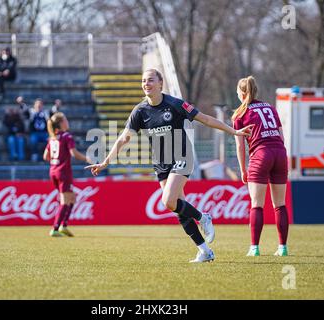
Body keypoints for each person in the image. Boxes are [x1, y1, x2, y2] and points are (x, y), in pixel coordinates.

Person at [86, 69, 253, 263]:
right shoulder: (140, 111)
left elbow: (206, 119)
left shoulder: (175, 104)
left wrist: (234, 131)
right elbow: (124, 138)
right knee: (176, 206)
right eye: (143, 81)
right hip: (161, 163)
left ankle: (203, 217)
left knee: (167, 200)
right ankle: (204, 250)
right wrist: (106, 161)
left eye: (150, 80)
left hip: (182, 156)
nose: (146, 84)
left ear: (160, 84)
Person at [232, 76, 289, 257]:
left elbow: (240, 146)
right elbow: (281, 137)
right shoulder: (270, 108)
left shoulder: (239, 114)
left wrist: (243, 169)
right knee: (280, 205)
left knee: (257, 205)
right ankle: (282, 248)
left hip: (261, 155)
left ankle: (254, 248)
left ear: (242, 93)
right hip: (280, 153)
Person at [43, 112, 91, 237]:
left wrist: (56, 160)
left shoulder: (52, 138)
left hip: (53, 171)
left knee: (72, 198)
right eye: (65, 119)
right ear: (61, 123)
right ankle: (55, 228)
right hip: (63, 172)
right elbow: (74, 153)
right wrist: (87, 159)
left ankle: (64, 226)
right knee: (65, 200)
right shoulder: (66, 136)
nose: (67, 121)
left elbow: (45, 156)